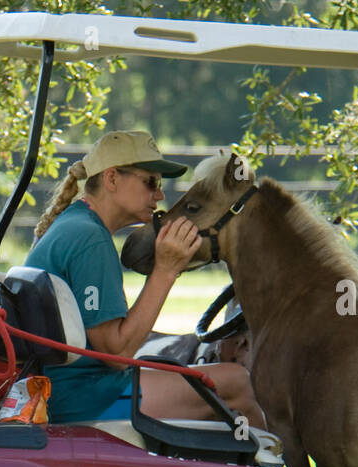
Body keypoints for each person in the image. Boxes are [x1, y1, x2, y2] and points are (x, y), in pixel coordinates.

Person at [25, 130, 265, 428]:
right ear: (112, 179)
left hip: (66, 390)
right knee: (238, 384)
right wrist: (166, 270)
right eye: (150, 182)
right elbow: (118, 353)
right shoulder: (89, 238)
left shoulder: (75, 224)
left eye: (160, 185)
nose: (160, 195)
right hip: (83, 399)